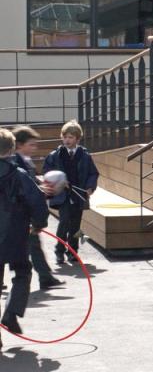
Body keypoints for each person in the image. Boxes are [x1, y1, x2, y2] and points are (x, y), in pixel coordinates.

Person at [0, 127, 50, 345]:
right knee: (22, 272)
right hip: (14, 234)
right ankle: (11, 311)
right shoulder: (18, 175)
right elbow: (37, 201)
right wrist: (38, 224)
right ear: (11, 149)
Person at [41, 120, 99, 263]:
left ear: (78, 139)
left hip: (78, 195)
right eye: (65, 136)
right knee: (64, 221)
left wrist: (90, 187)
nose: (67, 140)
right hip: (62, 195)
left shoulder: (85, 155)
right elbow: (47, 171)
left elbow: (93, 173)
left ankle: (73, 251)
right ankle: (59, 251)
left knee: (76, 224)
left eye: (71, 137)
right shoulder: (55, 155)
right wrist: (59, 181)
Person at [12, 127, 62, 289]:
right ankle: (42, 278)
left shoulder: (26, 161)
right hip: (19, 214)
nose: (34, 148)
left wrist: (43, 186)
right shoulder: (15, 162)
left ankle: (45, 277)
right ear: (19, 145)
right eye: (31, 144)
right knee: (24, 249)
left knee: (33, 245)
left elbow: (32, 183)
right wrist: (40, 189)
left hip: (27, 215)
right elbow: (22, 187)